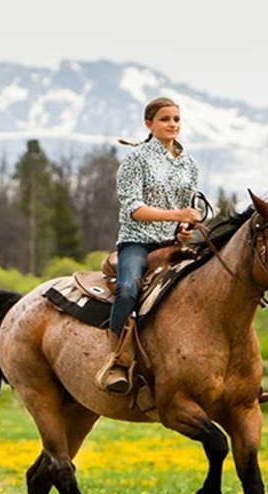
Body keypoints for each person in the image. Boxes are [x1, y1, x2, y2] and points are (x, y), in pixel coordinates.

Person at [96, 97, 201, 394]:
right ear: (149, 124)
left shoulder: (189, 164)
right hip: (137, 242)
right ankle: (116, 359)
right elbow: (133, 208)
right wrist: (177, 215)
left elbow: (187, 207)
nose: (172, 125)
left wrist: (184, 226)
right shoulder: (136, 159)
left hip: (172, 244)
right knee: (128, 288)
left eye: (177, 119)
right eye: (166, 119)